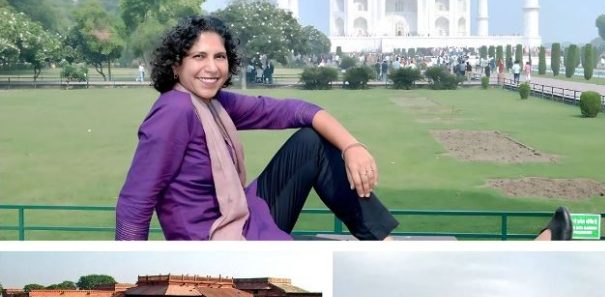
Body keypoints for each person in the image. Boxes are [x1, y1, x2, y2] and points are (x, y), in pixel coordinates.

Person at [117, 16, 571, 241]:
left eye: (219, 57)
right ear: (176, 63)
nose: (212, 67)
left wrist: (353, 145)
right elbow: (134, 205)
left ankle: (382, 240)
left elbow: (300, 110)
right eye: (198, 57)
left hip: (241, 216)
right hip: (219, 242)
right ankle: (385, 243)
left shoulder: (213, 104)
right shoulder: (175, 111)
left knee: (314, 141)